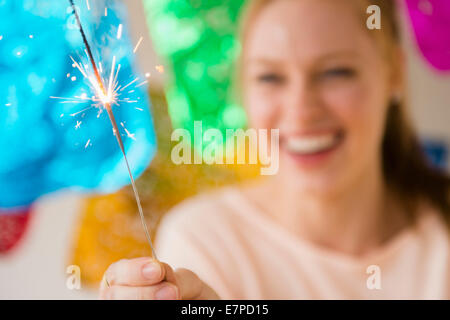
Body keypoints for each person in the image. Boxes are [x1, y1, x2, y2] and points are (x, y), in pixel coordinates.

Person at [99, 0, 450, 299]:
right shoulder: (204, 242)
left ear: (394, 73)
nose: (301, 110)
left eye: (335, 72)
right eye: (270, 77)